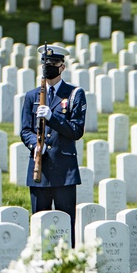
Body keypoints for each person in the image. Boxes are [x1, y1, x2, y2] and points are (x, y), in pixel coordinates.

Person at [20, 44, 86, 238]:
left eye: (54, 62)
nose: (48, 65)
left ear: (62, 66)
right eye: (45, 62)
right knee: (40, 227)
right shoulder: (32, 96)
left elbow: (76, 130)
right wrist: (35, 144)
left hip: (64, 169)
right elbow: (25, 130)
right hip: (40, 168)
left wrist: (52, 117)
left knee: (66, 227)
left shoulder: (74, 94)